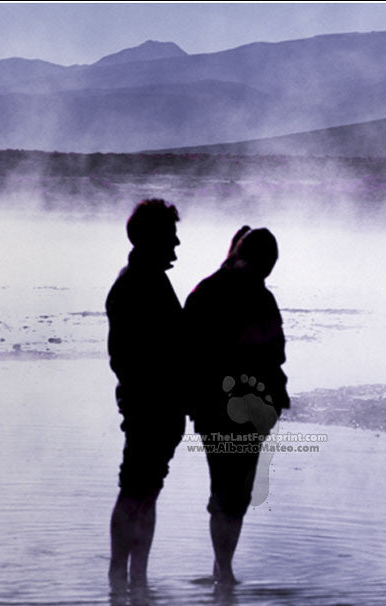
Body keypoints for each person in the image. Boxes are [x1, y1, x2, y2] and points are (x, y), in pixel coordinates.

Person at [184, 226, 290, 586]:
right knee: (231, 491)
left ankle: (222, 568)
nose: (267, 273)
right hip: (227, 407)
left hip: (234, 409)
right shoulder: (231, 293)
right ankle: (224, 571)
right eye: (266, 265)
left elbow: (276, 353)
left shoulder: (217, 291)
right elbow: (275, 353)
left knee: (234, 492)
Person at [105, 199, 185, 584]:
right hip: (149, 407)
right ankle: (123, 575)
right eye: (171, 236)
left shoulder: (146, 278)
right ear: (152, 238)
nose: (177, 244)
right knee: (138, 489)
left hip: (154, 406)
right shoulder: (136, 284)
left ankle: (135, 578)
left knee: (145, 489)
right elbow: (127, 357)